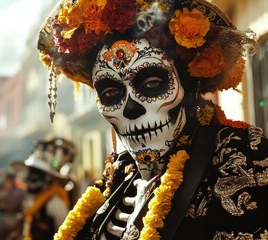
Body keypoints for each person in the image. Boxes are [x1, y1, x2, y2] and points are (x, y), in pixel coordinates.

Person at [36, 0, 268, 239]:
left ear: (188, 86)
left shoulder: (237, 153)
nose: (131, 109)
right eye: (111, 93)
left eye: (153, 84)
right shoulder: (121, 169)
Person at [10, 136, 76, 240]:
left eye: (38, 174)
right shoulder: (31, 199)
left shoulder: (54, 203)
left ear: (48, 178)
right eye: (31, 172)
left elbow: (65, 235)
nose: (32, 179)